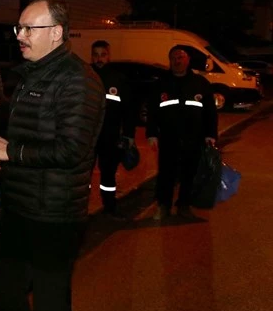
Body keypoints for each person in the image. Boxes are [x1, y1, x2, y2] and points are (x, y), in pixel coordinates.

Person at [0, 0, 104, 311]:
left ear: (56, 32)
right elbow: (36, 134)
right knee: (7, 294)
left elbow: (72, 149)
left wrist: (11, 152)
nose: (20, 36)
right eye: (18, 28)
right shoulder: (33, 74)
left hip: (54, 213)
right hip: (19, 205)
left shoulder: (78, 80)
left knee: (49, 303)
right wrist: (4, 146)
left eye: (29, 28)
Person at [146, 45, 217, 219]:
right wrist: (152, 134)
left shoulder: (200, 83)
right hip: (168, 137)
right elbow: (152, 111)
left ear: (188, 60)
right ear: (169, 61)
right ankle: (163, 205)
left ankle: (184, 205)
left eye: (181, 57)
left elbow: (210, 112)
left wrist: (211, 135)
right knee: (166, 174)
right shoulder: (161, 84)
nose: (177, 61)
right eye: (174, 58)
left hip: (194, 137)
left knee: (190, 174)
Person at [90, 40, 136, 218]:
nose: (99, 59)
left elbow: (129, 110)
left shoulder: (119, 79)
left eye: (103, 54)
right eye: (96, 55)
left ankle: (109, 206)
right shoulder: (85, 76)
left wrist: (129, 135)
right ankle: (79, 209)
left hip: (110, 136)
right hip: (87, 136)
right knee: (83, 175)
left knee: (108, 174)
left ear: (109, 56)